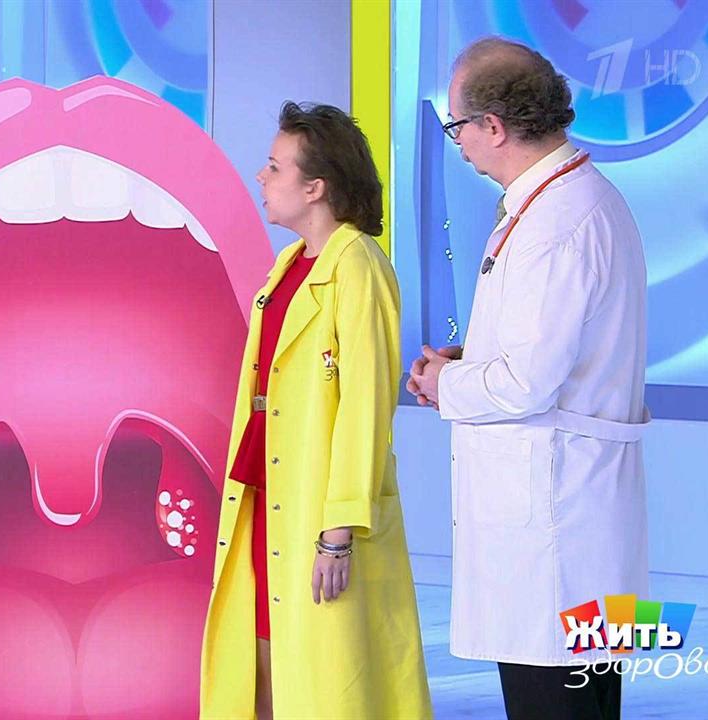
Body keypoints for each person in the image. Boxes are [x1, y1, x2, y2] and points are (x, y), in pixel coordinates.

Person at [408, 37, 649, 720]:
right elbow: (555, 351)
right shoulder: (574, 201)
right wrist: (471, 357)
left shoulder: (556, 223)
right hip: (576, 517)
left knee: (557, 701)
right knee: (588, 698)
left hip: (555, 527)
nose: (457, 142)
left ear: (493, 126)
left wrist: (444, 385)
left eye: (457, 126)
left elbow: (526, 384)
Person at [200, 102, 432, 720]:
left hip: (317, 505)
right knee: (265, 649)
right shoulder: (291, 265)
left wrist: (338, 533)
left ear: (316, 187)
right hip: (271, 488)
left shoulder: (358, 267)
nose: (261, 176)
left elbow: (365, 408)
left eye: (275, 167)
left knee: (322, 667)